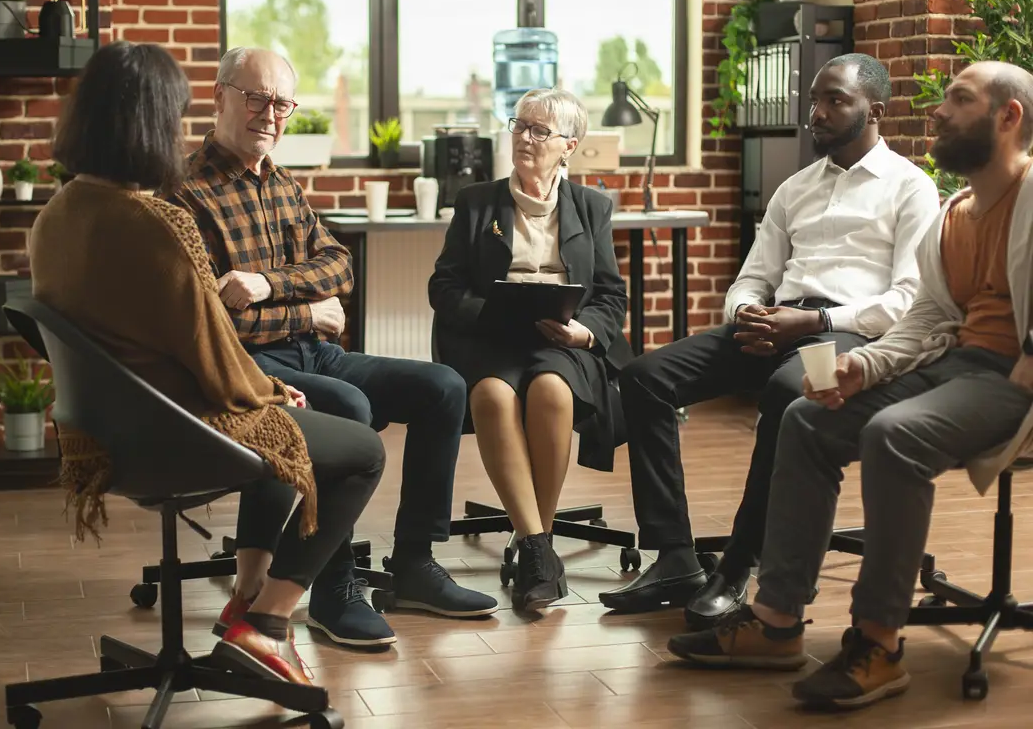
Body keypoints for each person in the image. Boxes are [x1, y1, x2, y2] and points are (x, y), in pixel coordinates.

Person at [667, 60, 1033, 711]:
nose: (937, 111)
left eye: (959, 99)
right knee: (808, 418)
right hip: (955, 364)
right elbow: (925, 316)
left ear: (1010, 118)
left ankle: (878, 644)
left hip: (1012, 378)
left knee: (895, 434)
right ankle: (777, 623)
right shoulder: (956, 213)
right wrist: (862, 366)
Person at [29, 42, 387, 686]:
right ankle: (268, 624)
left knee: (299, 414)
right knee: (360, 449)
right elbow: (216, 357)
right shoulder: (158, 221)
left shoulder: (55, 216)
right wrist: (274, 390)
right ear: (150, 123)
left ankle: (249, 597)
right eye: (173, 115)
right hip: (177, 429)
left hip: (109, 429)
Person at [165, 46, 498, 649]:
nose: (271, 114)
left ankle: (415, 565)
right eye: (256, 98)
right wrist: (306, 309)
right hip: (251, 366)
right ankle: (331, 586)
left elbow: (339, 265)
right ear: (218, 96)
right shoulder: (185, 195)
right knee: (346, 407)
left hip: (316, 351)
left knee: (442, 387)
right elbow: (210, 321)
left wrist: (268, 285)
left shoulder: (283, 184)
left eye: (282, 103)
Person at [599, 53, 941, 625]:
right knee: (645, 378)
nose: (817, 112)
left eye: (836, 100)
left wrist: (810, 324)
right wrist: (749, 314)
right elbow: (752, 276)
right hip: (774, 325)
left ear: (875, 110)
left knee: (789, 390)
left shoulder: (911, 189)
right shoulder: (795, 188)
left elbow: (906, 302)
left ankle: (738, 566)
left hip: (854, 339)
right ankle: (677, 556)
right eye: (815, 99)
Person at [428, 88, 633, 611]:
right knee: (493, 398)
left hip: (561, 340)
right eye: (519, 125)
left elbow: (611, 294)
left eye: (540, 131)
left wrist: (584, 332)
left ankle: (532, 542)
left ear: (569, 145)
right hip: (490, 338)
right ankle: (540, 549)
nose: (524, 137)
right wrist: (488, 314)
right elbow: (444, 287)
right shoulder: (478, 202)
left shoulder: (592, 207)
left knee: (551, 393)